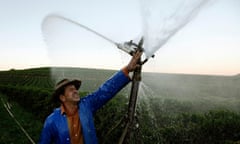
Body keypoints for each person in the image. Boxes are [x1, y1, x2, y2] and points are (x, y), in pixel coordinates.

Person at [39, 51, 142, 144]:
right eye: (71, 90)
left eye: (75, 88)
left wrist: (127, 69)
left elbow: (105, 91)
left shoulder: (86, 105)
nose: (75, 91)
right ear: (62, 98)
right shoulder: (51, 121)